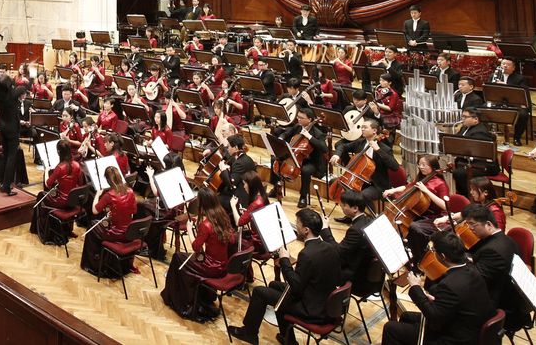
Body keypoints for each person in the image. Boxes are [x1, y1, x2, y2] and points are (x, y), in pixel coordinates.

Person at [229, 208, 341, 345]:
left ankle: (249, 333)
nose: (295, 225)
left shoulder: (307, 254)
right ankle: (288, 338)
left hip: (311, 309)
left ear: (306, 230)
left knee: (259, 292)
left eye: (297, 223)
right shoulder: (330, 247)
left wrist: (285, 260)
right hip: (323, 299)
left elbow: (296, 287)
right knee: (273, 285)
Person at [378, 232, 493, 345]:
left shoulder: (450, 285)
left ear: (442, 256)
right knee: (406, 316)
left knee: (390, 328)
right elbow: (455, 301)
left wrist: (416, 287)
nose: (431, 253)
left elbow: (434, 319)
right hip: (463, 323)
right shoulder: (471, 269)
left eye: (433, 251)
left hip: (455, 338)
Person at [162, 188, 233, 321]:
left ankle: (178, 299)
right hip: (223, 266)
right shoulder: (223, 215)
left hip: (210, 267)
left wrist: (190, 230)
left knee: (177, 258)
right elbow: (231, 238)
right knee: (180, 258)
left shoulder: (206, 225)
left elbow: (195, 248)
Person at [460, 203, 529, 337]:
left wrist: (460, 262)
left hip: (498, 305)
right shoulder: (505, 240)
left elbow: (476, 282)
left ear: (488, 224)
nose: (470, 229)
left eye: (473, 225)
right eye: (468, 225)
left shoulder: (494, 251)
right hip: (498, 290)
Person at [383, 155, 449, 262]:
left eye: (424, 165)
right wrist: (393, 190)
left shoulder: (440, 184)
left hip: (435, 217)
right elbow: (408, 186)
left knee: (412, 227)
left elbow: (445, 205)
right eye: (420, 164)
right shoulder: (421, 178)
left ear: (432, 167)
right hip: (419, 213)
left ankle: (419, 257)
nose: (421, 167)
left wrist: (426, 191)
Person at [331, 118, 400, 214]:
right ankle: (351, 215)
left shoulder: (384, 148)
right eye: (362, 127)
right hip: (360, 180)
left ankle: (371, 218)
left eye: (365, 127)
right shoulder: (361, 142)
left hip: (377, 184)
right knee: (343, 186)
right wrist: (337, 154)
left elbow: (395, 167)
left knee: (363, 195)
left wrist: (378, 150)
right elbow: (342, 146)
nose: (362, 129)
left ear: (374, 131)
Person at [80, 166, 136, 276]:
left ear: (107, 180)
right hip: (129, 232)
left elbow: (95, 210)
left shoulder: (109, 195)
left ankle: (94, 264)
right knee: (98, 225)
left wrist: (97, 194)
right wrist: (113, 215)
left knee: (92, 225)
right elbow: (132, 212)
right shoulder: (130, 191)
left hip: (116, 234)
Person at [448, 107, 498, 192]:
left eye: (465, 117)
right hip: (471, 161)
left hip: (483, 165)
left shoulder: (480, 132)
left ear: (475, 119)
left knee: (459, 173)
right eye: (462, 116)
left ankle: (468, 195)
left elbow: (477, 153)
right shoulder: (464, 128)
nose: (462, 119)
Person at [0, 72, 25, 195]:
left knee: (5, 155)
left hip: (3, 128)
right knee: (11, 157)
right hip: (12, 130)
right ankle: (6, 186)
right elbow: (22, 88)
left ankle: (1, 182)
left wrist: (8, 79)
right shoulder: (11, 95)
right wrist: (29, 79)